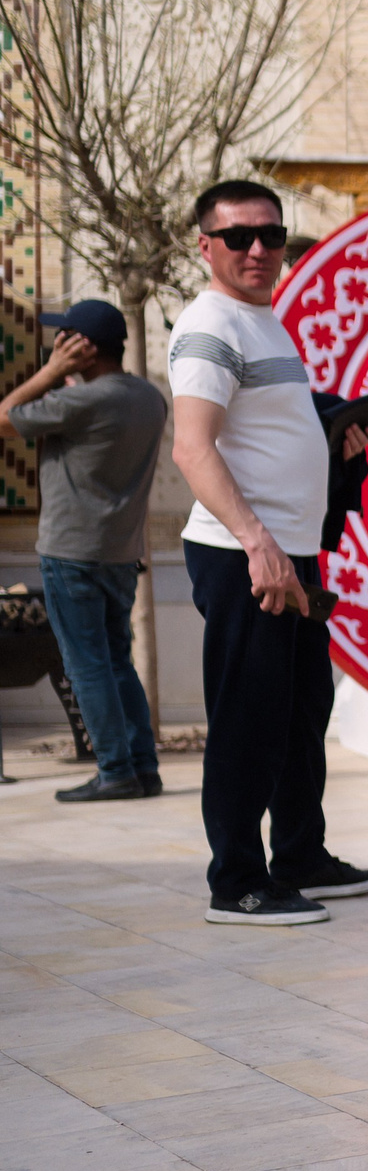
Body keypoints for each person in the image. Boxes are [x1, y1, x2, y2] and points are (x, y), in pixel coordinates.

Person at [168, 180, 368, 926]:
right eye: (237, 237)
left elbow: (263, 436)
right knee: (249, 716)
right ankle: (237, 880)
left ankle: (300, 854)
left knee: (300, 710)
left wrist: (335, 439)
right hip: (245, 556)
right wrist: (257, 542)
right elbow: (192, 448)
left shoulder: (265, 323)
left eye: (271, 235)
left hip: (287, 553)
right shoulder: (211, 325)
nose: (257, 249)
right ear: (206, 246)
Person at [0, 299, 168, 801]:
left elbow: (5, 416)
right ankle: (143, 768)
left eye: (61, 338)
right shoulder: (149, 397)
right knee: (117, 660)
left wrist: (50, 372)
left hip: (72, 553)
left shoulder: (82, 402)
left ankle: (115, 770)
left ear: (82, 348)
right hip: (120, 552)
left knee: (86, 663)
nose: (54, 345)